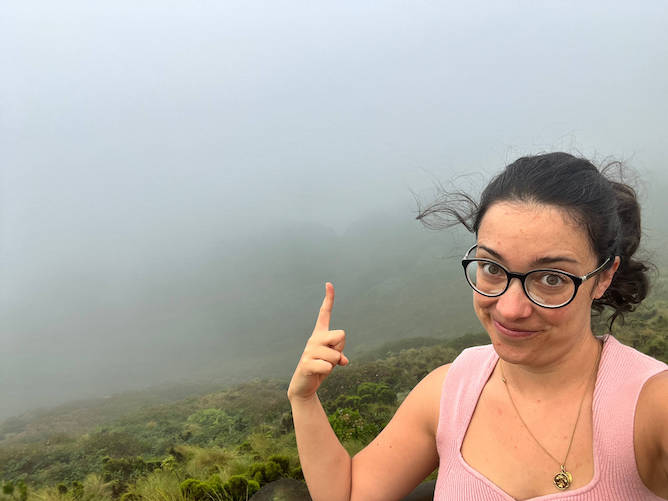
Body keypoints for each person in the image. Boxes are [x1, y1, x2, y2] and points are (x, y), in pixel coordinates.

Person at [287, 152, 668, 501]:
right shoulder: (450, 393)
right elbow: (350, 494)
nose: (510, 307)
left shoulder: (651, 406)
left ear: (603, 277)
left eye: (551, 278)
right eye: (491, 268)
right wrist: (304, 400)